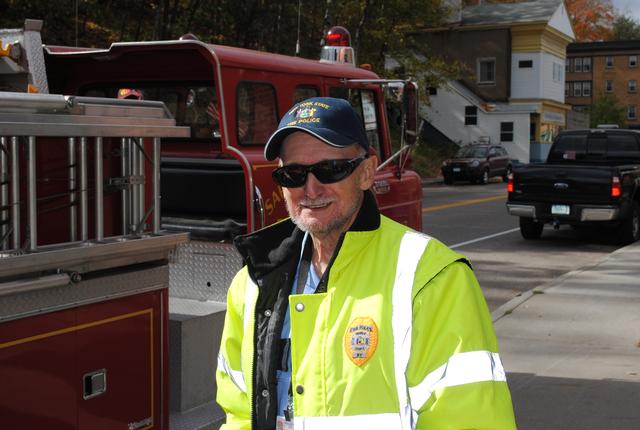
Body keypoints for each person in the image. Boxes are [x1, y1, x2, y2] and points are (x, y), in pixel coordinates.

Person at [216, 97, 516, 430]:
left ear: (367, 173)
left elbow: (470, 420)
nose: (310, 189)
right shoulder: (252, 283)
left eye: (330, 169)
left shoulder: (432, 278)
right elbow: (239, 412)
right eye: (293, 174)